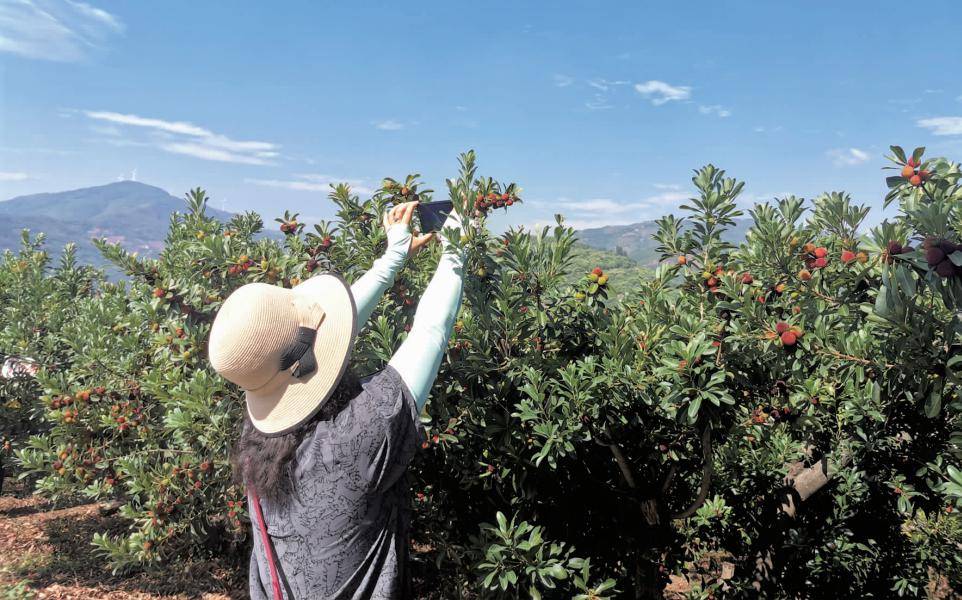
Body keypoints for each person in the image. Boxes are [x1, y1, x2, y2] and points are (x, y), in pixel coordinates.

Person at [207, 201, 466, 599]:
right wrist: (459, 245)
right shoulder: (355, 439)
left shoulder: (257, 441)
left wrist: (391, 260)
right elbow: (430, 331)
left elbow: (320, 344)